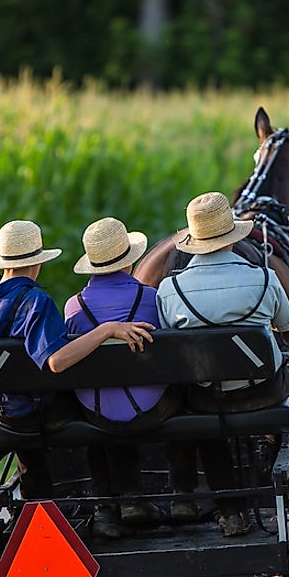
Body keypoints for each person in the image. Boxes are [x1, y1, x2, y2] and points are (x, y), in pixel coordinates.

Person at [0, 219, 154, 500]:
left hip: (6, 412)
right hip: (44, 411)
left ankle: (41, 495)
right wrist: (107, 329)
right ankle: (106, 499)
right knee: (86, 403)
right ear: (36, 262)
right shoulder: (36, 302)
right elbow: (56, 362)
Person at [156, 192, 289, 538]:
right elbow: (288, 327)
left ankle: (232, 511)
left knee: (204, 413)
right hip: (264, 392)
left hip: (207, 396)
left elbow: (168, 343)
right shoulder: (264, 278)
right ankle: (271, 465)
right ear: (234, 235)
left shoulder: (170, 289)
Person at [63, 217, 183, 538]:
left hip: (97, 411)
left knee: (97, 405)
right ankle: (183, 492)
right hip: (151, 408)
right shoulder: (151, 297)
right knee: (181, 393)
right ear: (129, 260)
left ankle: (108, 507)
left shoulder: (74, 308)